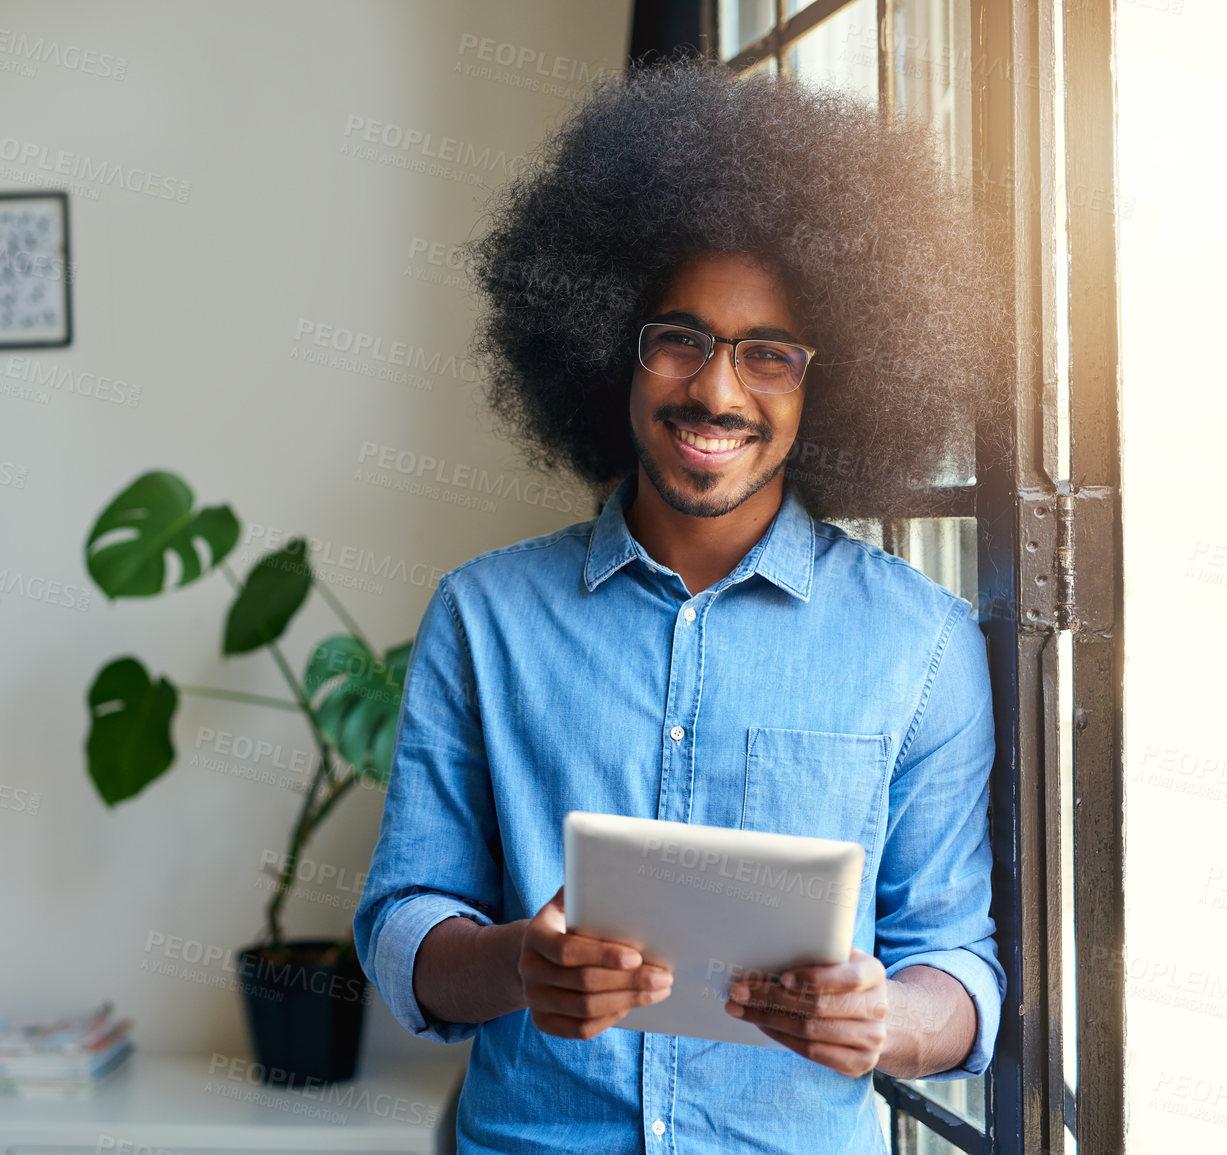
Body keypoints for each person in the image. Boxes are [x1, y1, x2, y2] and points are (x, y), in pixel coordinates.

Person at [353, 59, 1009, 1154]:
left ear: (831, 384)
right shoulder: (484, 618)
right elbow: (403, 922)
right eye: (680, 338)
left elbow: (959, 966)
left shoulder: (924, 646)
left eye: (771, 356)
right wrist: (517, 963)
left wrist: (886, 1021)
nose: (716, 390)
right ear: (610, 338)